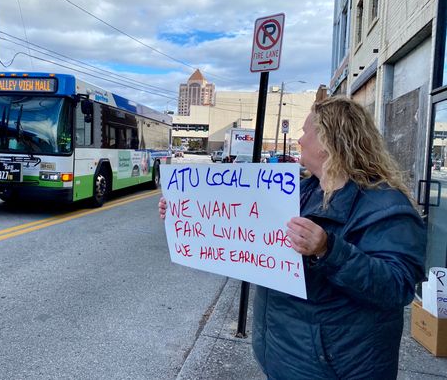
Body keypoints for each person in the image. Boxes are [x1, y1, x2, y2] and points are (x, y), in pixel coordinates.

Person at [158, 96, 426, 379]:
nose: (299, 141)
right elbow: (243, 229)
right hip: (284, 355)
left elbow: (398, 287)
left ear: (327, 141)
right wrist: (181, 212)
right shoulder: (300, 191)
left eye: (305, 132)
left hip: (337, 368)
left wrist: (328, 250)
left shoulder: (385, 205)